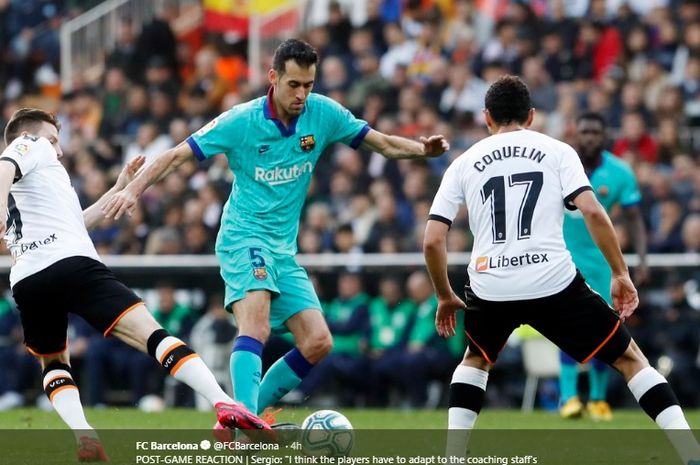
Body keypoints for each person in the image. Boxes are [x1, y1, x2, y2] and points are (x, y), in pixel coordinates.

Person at [102, 38, 449, 423]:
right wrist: (134, 190)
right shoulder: (242, 121)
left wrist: (422, 151)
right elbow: (177, 154)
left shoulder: (323, 114)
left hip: (283, 250)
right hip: (242, 238)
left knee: (318, 342)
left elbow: (382, 143)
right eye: (294, 85)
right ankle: (245, 420)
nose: (302, 94)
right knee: (257, 325)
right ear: (274, 77)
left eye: (309, 85)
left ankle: (239, 421)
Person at [423, 76, 700, 465]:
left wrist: (443, 295)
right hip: (551, 280)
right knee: (630, 359)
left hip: (491, 284)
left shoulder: (463, 163)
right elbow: (591, 210)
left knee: (475, 359)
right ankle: (690, 455)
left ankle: (453, 458)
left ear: (487, 118)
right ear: (532, 116)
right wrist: (620, 272)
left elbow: (433, 239)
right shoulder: (557, 151)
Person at [0, 108, 270, 462]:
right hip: (72, 264)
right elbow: (4, 166)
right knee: (152, 334)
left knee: (53, 363)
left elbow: (77, 223)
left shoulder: (39, 183)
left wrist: (117, 189)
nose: (59, 150)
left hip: (28, 278)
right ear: (31, 136)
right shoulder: (30, 143)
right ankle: (224, 403)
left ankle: (85, 435)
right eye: (54, 140)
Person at [559, 111, 649, 421]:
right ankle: (568, 397)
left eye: (595, 132)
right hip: (561, 258)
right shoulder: (560, 165)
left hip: (601, 264)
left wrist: (641, 259)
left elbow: (634, 218)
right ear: (576, 134)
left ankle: (597, 399)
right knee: (565, 326)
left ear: (604, 136)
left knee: (604, 330)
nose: (589, 138)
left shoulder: (620, 172)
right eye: (584, 132)